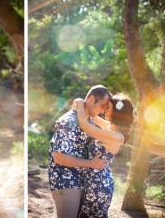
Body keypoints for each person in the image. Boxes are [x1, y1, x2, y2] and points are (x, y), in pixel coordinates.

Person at [48, 85, 111, 218]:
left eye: (106, 108)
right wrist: (91, 163)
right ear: (92, 99)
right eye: (102, 105)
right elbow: (59, 157)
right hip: (66, 181)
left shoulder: (89, 122)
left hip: (81, 182)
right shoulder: (68, 121)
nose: (102, 110)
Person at [73, 94, 134, 218]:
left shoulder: (116, 135)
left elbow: (85, 126)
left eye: (107, 107)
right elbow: (93, 117)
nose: (104, 109)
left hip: (98, 184)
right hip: (91, 180)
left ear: (116, 111)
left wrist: (79, 103)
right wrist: (85, 105)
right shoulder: (110, 127)